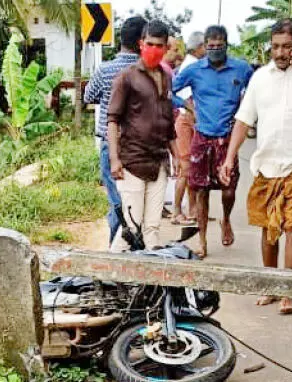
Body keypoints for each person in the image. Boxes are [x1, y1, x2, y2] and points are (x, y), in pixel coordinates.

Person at [221, 18, 292, 315]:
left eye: (287, 46)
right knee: (268, 228)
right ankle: (271, 285)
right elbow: (244, 119)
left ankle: (288, 290)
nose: (280, 53)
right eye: (275, 46)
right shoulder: (260, 77)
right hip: (267, 164)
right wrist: (230, 156)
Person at [173, 26, 254, 258]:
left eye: (219, 46)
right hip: (202, 137)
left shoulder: (241, 68)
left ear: (226, 45)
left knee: (229, 189)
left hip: (227, 138)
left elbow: (256, 90)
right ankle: (202, 240)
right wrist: (187, 106)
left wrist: (245, 110)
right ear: (205, 46)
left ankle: (226, 219)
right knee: (200, 191)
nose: (215, 50)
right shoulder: (194, 70)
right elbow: (169, 90)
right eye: (211, 46)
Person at [107, 19, 179, 251]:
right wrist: (114, 159)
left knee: (152, 228)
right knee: (132, 227)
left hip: (159, 162)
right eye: (150, 44)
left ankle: (149, 284)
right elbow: (113, 120)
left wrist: (178, 156)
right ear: (140, 44)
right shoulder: (126, 77)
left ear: (166, 48)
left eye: (160, 45)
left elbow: (168, 123)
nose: (154, 50)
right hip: (133, 161)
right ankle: (109, 276)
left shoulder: (167, 77)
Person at [84, 16, 147, 247]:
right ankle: (138, 253)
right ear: (142, 41)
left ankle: (115, 255)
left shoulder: (105, 70)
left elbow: (88, 97)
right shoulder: (148, 72)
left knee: (117, 204)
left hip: (111, 147)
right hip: (141, 147)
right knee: (138, 202)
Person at [171, 31, 206, 226]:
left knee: (192, 169)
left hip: (191, 120)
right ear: (200, 47)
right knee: (186, 169)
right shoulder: (193, 66)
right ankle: (177, 211)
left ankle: (193, 210)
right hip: (186, 121)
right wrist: (188, 106)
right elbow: (173, 93)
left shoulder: (193, 64)